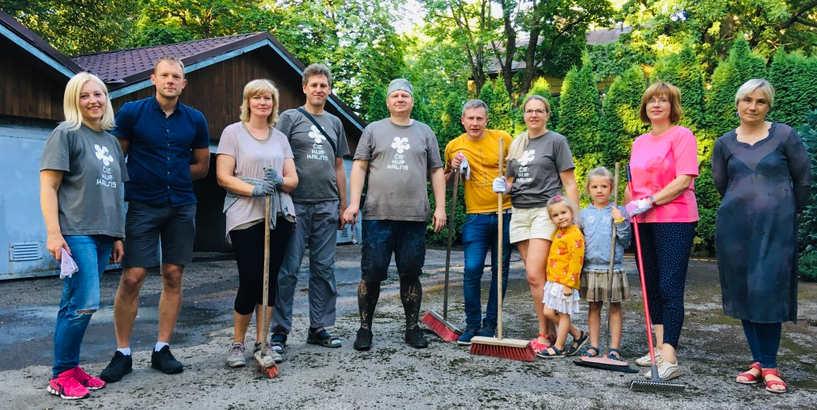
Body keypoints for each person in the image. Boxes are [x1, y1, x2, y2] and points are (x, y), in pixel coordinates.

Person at [101, 55, 210, 382]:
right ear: (153, 78)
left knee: (173, 274)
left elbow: (202, 166)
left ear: (184, 82)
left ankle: (162, 348)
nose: (170, 81)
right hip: (142, 205)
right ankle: (122, 353)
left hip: (180, 205)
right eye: (165, 75)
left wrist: (172, 176)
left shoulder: (195, 119)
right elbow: (115, 158)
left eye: (176, 76)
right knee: (133, 276)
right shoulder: (132, 112)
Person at [712, 79, 811, 394]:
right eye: (747, 100)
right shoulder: (724, 143)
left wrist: (785, 212)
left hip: (776, 229)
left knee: (767, 290)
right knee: (744, 291)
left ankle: (769, 364)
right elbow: (722, 184)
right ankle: (758, 361)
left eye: (760, 102)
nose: (752, 107)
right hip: (735, 229)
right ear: (738, 103)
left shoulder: (784, 135)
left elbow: (803, 181)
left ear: (768, 106)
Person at [40, 72, 127, 399]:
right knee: (84, 303)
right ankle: (60, 375)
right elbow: (48, 186)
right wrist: (53, 233)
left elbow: (115, 191)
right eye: (84, 95)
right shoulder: (66, 134)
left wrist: (117, 235)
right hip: (76, 232)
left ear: (106, 98)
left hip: (104, 234)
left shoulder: (110, 141)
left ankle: (70, 368)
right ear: (74, 100)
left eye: (99, 94)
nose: (93, 100)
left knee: (74, 302)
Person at [342, 78, 447, 351]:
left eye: (405, 95)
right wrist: (354, 204)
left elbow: (436, 171)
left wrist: (440, 207)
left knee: (410, 273)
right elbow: (360, 167)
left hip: (414, 216)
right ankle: (365, 329)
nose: (400, 99)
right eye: (395, 95)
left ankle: (412, 328)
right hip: (378, 214)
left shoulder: (425, 132)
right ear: (388, 101)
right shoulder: (373, 130)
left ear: (412, 101)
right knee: (372, 273)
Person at [216, 79, 297, 368]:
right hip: (245, 212)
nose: (263, 102)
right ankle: (237, 343)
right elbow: (223, 176)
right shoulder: (232, 133)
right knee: (251, 278)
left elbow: (292, 179)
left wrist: (278, 182)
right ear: (247, 102)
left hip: (278, 213)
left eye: (268, 98)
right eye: (257, 98)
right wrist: (254, 189)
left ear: (274, 104)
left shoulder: (280, 137)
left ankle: (262, 342)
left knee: (269, 279)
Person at [492, 95, 580, 353]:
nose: (534, 115)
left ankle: (545, 333)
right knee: (536, 280)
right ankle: (553, 333)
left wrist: (574, 217)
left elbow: (570, 183)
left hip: (544, 211)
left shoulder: (556, 141)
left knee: (533, 273)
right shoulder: (517, 142)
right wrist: (503, 186)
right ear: (524, 115)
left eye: (539, 111)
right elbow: (510, 180)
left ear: (547, 115)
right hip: (519, 211)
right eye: (529, 111)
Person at [271, 64, 349, 352]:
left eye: (324, 85)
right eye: (314, 85)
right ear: (304, 87)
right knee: (288, 269)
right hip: (294, 204)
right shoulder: (290, 118)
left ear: (329, 89)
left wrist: (344, 204)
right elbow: (276, 155)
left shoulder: (336, 123)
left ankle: (319, 327)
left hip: (327, 205)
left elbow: (339, 166)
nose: (319, 90)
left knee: (324, 269)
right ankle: (280, 330)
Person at [625, 81, 698, 381]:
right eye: (651, 100)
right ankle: (656, 348)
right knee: (651, 286)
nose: (656, 104)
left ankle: (670, 356)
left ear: (672, 107)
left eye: (663, 100)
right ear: (645, 107)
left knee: (669, 287)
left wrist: (651, 201)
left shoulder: (682, 136)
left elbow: (684, 179)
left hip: (675, 218)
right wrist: (630, 203)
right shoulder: (639, 142)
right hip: (643, 221)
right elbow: (633, 182)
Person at [443, 99, 513, 345]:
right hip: (475, 217)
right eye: (470, 118)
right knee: (472, 270)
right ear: (462, 120)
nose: (475, 123)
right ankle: (472, 323)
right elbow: (448, 183)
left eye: (479, 118)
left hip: (505, 213)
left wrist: (509, 183)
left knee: (499, 271)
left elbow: (517, 171)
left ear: (486, 120)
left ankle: (490, 324)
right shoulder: (454, 146)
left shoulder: (503, 138)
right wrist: (452, 170)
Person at [578, 167, 631, 360]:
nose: (599, 190)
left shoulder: (619, 211)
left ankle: (615, 348)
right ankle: (594, 345)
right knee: (594, 307)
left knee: (615, 307)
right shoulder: (583, 215)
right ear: (588, 189)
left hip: (612, 267)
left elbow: (627, 240)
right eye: (594, 186)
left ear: (611, 188)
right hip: (591, 268)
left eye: (603, 186)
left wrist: (620, 221)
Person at [537, 196, 587, 358]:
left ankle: (559, 347)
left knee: (564, 314)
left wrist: (569, 284)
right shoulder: (559, 232)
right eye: (555, 215)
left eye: (564, 213)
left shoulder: (575, 235)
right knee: (548, 312)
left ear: (571, 212)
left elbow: (576, 261)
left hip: (565, 282)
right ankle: (578, 334)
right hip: (554, 281)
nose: (560, 217)